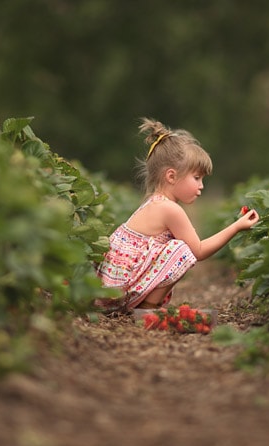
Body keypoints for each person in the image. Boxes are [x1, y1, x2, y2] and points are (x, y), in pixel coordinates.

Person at [95, 118, 259, 313]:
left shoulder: (154, 202)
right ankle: (147, 308)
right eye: (197, 178)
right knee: (181, 250)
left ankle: (143, 305)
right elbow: (197, 251)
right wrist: (237, 226)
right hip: (118, 290)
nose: (201, 186)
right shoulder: (170, 209)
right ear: (171, 176)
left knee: (178, 248)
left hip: (111, 287)